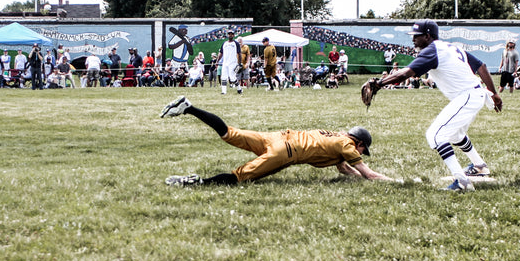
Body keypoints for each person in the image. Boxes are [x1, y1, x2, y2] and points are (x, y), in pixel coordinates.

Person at [366, 19, 502, 192]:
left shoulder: (432, 50)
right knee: (455, 134)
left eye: (417, 36)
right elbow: (480, 66)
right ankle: (480, 166)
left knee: (435, 135)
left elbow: (406, 73)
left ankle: (462, 182)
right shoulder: (451, 47)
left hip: (468, 95)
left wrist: (379, 83)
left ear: (428, 36)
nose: (413, 40)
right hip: (473, 94)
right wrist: (494, 93)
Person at [159, 96, 392, 185]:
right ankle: (195, 183)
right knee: (240, 176)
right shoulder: (347, 145)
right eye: (363, 148)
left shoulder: (336, 138)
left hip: (277, 136)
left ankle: (189, 108)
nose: (360, 152)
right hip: (286, 151)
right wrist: (397, 181)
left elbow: (343, 168)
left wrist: (355, 178)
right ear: (359, 142)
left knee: (229, 133)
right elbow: (367, 173)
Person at [218, 30, 242, 95]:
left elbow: (239, 53)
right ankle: (224, 91)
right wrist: (217, 61)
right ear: (227, 35)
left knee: (232, 78)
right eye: (229, 34)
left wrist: (239, 63)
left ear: (233, 35)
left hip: (233, 62)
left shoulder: (236, 43)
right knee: (223, 77)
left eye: (232, 34)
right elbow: (221, 53)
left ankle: (239, 88)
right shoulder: (224, 43)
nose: (230, 35)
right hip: (225, 62)